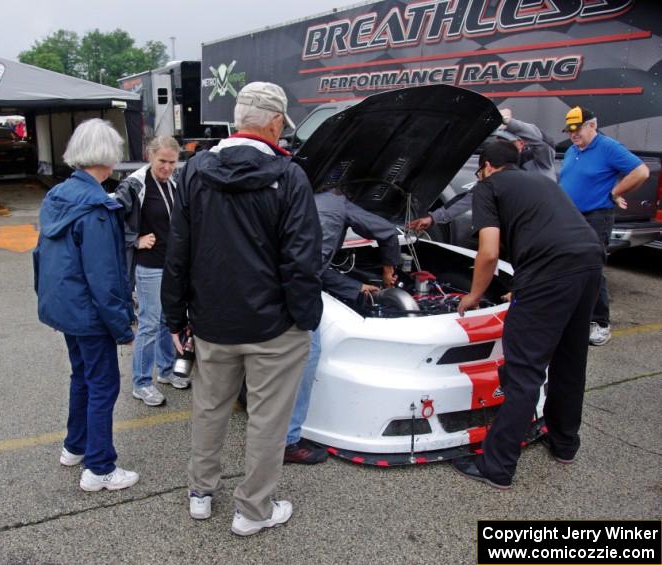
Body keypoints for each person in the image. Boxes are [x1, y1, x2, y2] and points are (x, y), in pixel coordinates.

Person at [161, 82, 322, 535]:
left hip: (212, 321)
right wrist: (305, 317)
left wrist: (176, 315)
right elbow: (302, 258)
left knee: (209, 409)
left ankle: (200, 493)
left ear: (237, 119)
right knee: (267, 420)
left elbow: (180, 248)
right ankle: (252, 511)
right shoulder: (290, 176)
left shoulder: (194, 170)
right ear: (274, 123)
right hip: (274, 325)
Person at [451, 140, 604, 489]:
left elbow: (488, 252)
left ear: (487, 165)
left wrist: (473, 296)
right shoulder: (542, 181)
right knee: (570, 360)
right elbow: (548, 230)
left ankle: (497, 466)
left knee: (523, 372)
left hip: (549, 272)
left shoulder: (488, 187)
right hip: (589, 264)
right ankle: (565, 443)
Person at [33, 118, 139, 493]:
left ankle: (75, 446)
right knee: (103, 386)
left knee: (82, 377)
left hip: (65, 309)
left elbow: (42, 256)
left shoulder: (57, 196)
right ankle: (100, 467)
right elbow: (105, 276)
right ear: (108, 157)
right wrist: (122, 325)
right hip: (89, 313)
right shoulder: (97, 207)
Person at [283, 189, 401, 465]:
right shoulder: (338, 205)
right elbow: (386, 232)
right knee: (308, 357)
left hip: (269, 287)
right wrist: (376, 276)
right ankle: (288, 440)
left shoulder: (297, 198)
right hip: (297, 295)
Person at [559, 106, 650, 346]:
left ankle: (600, 323)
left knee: (591, 267)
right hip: (572, 217)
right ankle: (575, 316)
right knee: (568, 265)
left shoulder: (607, 147)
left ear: (592, 125)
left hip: (596, 216)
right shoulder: (572, 150)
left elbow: (641, 172)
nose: (573, 134)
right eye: (569, 130)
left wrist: (614, 191)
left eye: (577, 129)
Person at [114, 136, 185, 407]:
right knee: (149, 324)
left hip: (172, 266)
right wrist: (135, 240)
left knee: (169, 320)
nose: (167, 167)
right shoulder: (134, 185)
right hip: (149, 267)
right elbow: (112, 222)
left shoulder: (174, 184)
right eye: (162, 161)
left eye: (172, 162)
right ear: (150, 156)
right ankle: (142, 382)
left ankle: (166, 370)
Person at [407, 109, 556, 233]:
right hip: (521, 233)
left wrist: (510, 123)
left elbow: (542, 140)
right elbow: (469, 198)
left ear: (522, 142)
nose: (500, 145)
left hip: (549, 230)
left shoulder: (541, 162)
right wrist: (433, 218)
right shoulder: (497, 170)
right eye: (499, 141)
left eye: (506, 142)